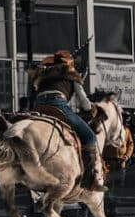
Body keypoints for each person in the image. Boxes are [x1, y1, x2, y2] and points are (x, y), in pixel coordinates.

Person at [31, 50, 105, 191]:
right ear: (69, 62)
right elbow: (83, 102)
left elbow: (35, 87)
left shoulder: (44, 74)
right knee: (90, 136)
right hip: (57, 105)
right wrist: (90, 108)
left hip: (39, 106)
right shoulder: (72, 75)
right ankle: (89, 180)